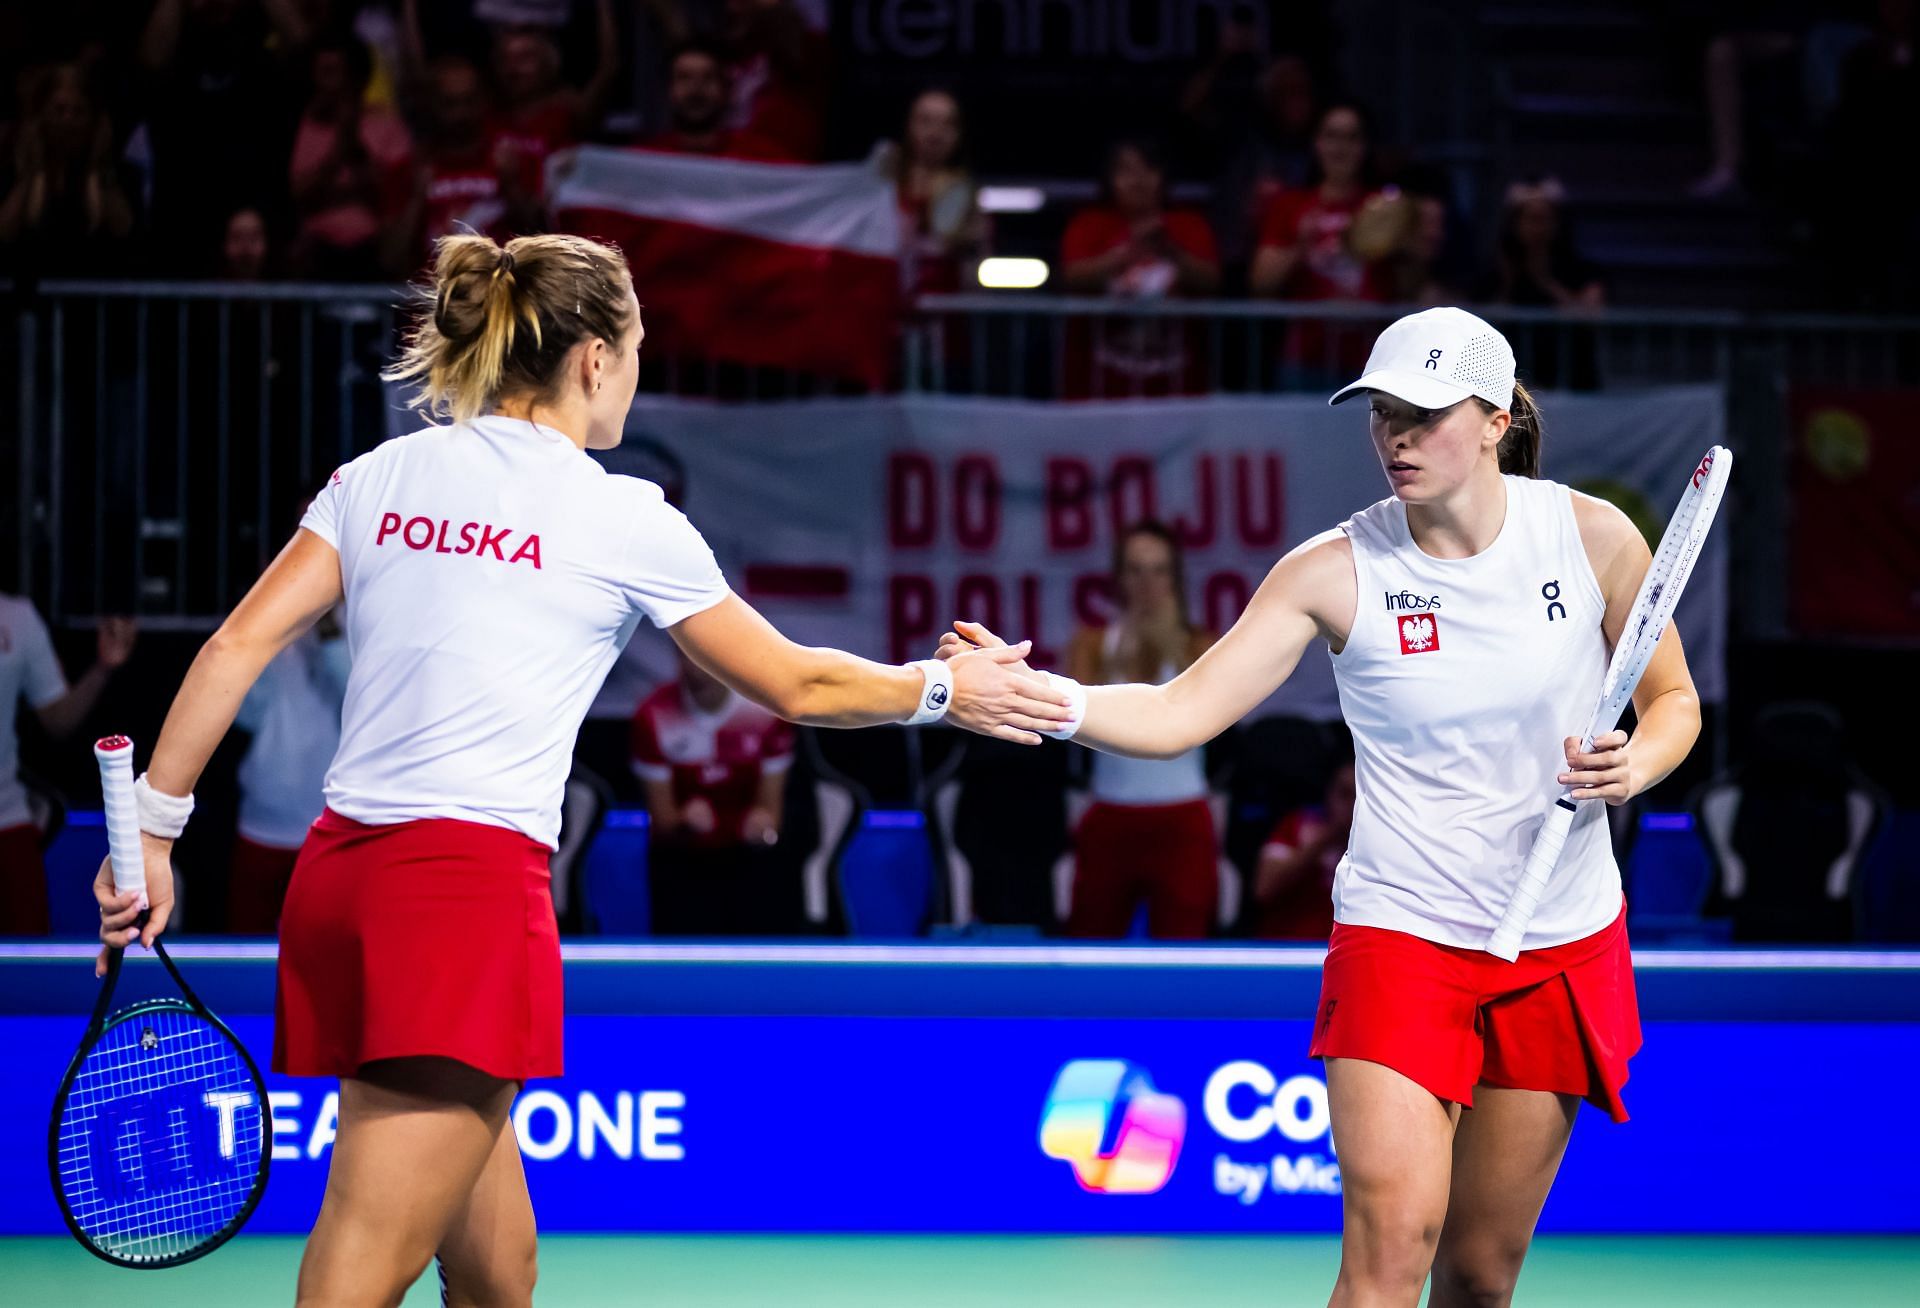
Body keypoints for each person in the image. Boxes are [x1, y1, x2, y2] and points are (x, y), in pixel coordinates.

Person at [93, 230, 1068, 1306]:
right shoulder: (620, 515)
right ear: (596, 358)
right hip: (459, 895)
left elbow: (234, 645)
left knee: (498, 1272)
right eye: (638, 346)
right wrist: (942, 692)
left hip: (343, 880)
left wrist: (152, 832)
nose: (637, 374)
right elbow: (797, 685)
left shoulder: (378, 477)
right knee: (362, 1264)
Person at [939, 305, 1704, 1308]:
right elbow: (1180, 711)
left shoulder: (1593, 538)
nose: (1395, 436)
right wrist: (1045, 699)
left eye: (1423, 414)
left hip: (1560, 936)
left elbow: (1673, 701)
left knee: (1479, 1275)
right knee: (1392, 1250)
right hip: (1404, 934)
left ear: (1494, 417)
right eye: (1382, 413)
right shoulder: (1334, 571)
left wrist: (1633, 767)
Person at [1062, 522, 1220, 939]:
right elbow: (1067, 718)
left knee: (1185, 955)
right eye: (1135, 570)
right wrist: (1131, 651)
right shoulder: (1093, 644)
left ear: (1174, 578)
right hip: (1110, 815)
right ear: (1119, 579)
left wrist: (1167, 644)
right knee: (1091, 949)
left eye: (1158, 570)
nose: (1147, 583)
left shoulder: (1198, 645)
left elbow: (1216, 719)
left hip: (1182, 819)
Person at [633, 647, 794, 934]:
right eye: (686, 655)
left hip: (747, 859)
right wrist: (682, 821)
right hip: (683, 860)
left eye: (706, 656)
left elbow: (772, 815)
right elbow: (662, 822)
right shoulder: (654, 714)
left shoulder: (765, 713)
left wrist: (764, 829)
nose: (696, 665)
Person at [1, 602, 134, 934]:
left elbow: (58, 721)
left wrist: (103, 668)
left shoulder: (19, 618)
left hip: (7, 819)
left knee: (30, 968)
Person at [1059, 137, 1220, 397]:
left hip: (1176, 392)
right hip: (1100, 393)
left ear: (1164, 176)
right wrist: (1125, 255)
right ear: (1110, 179)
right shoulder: (1087, 225)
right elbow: (1072, 277)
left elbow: (1211, 281)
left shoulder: (1190, 225)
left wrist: (1170, 251)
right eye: (1125, 170)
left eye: (1148, 168)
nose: (1138, 179)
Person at [228, 604, 348, 935]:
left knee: (323, 953)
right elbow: (245, 716)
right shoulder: (267, 627)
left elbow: (360, 702)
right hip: (261, 824)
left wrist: (328, 632)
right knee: (247, 953)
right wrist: (268, 634)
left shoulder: (360, 621)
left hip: (331, 828)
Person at [1249, 101, 1387, 385]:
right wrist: (1301, 245)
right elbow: (1261, 282)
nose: (1341, 148)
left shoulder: (1384, 208)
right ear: (1317, 143)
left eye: (1352, 137)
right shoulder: (1289, 205)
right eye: (1332, 136)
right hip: (1303, 360)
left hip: (1372, 362)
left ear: (1364, 146)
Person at [287, 35, 414, 280]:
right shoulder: (299, 125)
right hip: (316, 254)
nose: (323, 82)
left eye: (332, 72)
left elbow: (394, 196)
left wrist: (356, 148)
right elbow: (297, 195)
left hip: (373, 253)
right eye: (319, 72)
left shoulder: (387, 125)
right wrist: (337, 152)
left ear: (357, 78)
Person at [0, 63, 136, 276]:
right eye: (59, 110)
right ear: (41, 115)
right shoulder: (11, 169)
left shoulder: (120, 172)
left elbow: (126, 233)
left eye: (78, 111)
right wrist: (30, 173)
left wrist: (98, 167)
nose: (68, 121)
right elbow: (4, 232)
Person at [882, 87, 986, 297]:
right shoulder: (884, 187)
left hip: (944, 311)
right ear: (908, 126)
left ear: (959, 134)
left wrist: (968, 243)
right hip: (889, 309)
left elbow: (978, 272)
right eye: (925, 121)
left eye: (948, 124)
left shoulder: (967, 196)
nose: (935, 133)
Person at [1253, 751, 1354, 940]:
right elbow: (1264, 888)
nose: (1351, 805)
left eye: (1358, 796)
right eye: (1344, 794)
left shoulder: (1381, 843)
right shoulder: (1297, 827)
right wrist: (1322, 843)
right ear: (1328, 792)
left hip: (1346, 949)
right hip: (1288, 950)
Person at [636, 39, 790, 161]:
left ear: (726, 90)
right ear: (669, 90)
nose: (696, 89)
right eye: (684, 78)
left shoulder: (761, 158)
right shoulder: (645, 162)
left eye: (708, 78)